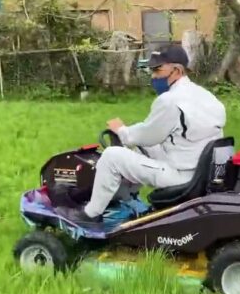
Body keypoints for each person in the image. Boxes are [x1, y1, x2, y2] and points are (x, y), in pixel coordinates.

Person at [56, 45, 226, 225]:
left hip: (181, 175)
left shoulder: (170, 101)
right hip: (202, 169)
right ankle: (128, 198)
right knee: (141, 148)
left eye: (157, 70)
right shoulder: (205, 96)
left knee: (112, 156)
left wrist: (121, 131)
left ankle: (90, 214)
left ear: (176, 70)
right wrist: (131, 136)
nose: (153, 76)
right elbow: (153, 135)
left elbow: (147, 134)